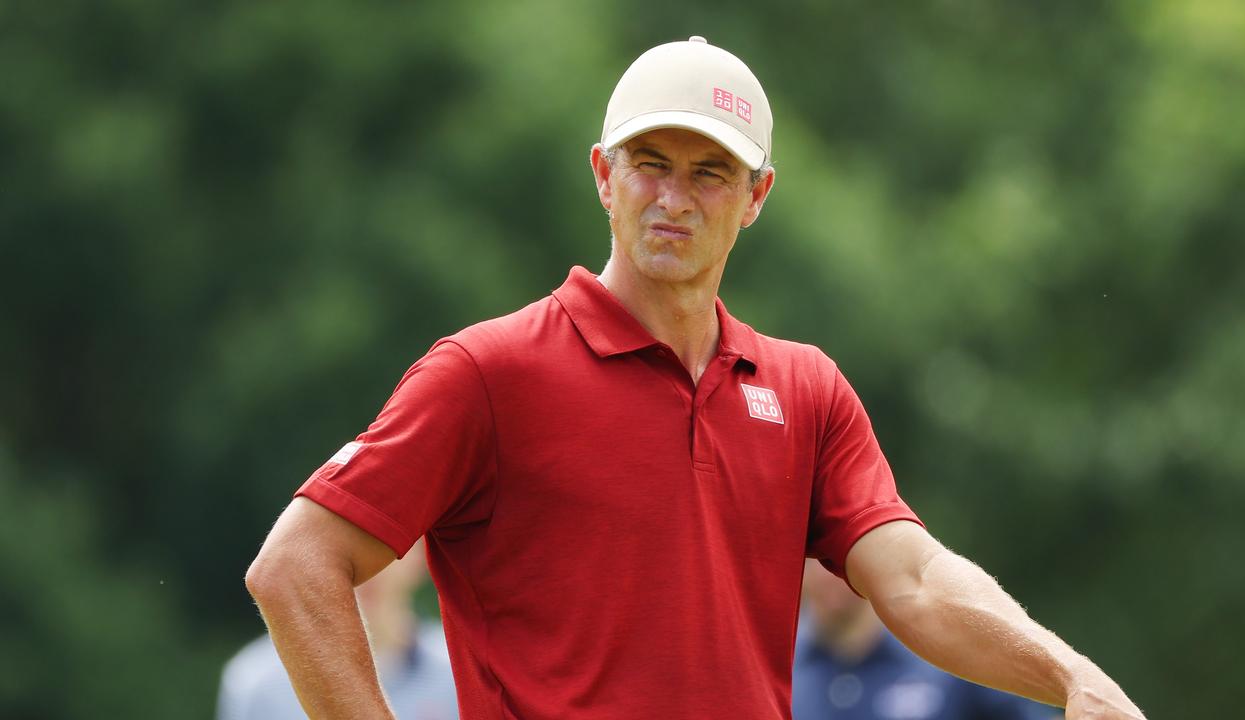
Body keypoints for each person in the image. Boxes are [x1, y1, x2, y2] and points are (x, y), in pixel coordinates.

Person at [245, 36, 1146, 720]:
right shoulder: (488, 373)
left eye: (710, 173)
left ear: (756, 197)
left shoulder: (805, 390)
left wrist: (1071, 678)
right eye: (650, 165)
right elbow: (295, 566)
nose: (674, 199)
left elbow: (912, 582)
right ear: (604, 176)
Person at [794, 559, 1061, 720]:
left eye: (833, 559)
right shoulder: (773, 668)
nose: (825, 574)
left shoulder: (945, 652)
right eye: (814, 559)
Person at [220, 540, 458, 720]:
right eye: (342, 546)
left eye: (382, 542)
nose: (364, 564)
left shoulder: (459, 673)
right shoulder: (257, 682)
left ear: (420, 552)